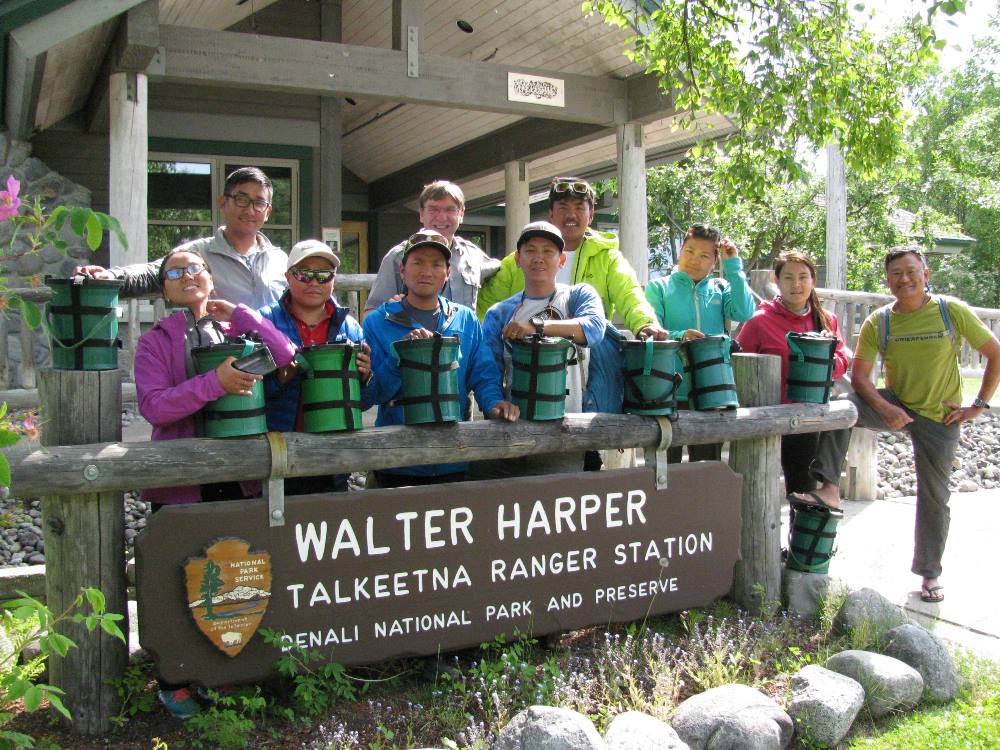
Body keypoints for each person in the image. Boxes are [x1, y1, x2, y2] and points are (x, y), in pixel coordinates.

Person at [133, 246, 296, 718]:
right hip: (181, 479)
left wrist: (247, 317)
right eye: (174, 272)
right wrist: (216, 383)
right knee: (176, 578)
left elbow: (286, 358)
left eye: (196, 268)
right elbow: (156, 406)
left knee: (234, 578)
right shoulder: (155, 341)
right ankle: (176, 678)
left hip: (237, 476)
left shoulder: (233, 328)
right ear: (163, 288)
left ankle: (229, 674)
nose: (187, 276)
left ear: (211, 276)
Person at [793, 246, 1000, 604]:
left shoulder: (951, 311)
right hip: (897, 404)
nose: (904, 279)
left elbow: (995, 353)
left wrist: (977, 406)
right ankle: (828, 485)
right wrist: (884, 409)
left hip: (940, 415)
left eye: (911, 272)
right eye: (896, 274)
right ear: (888, 281)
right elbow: (859, 378)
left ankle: (930, 573)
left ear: (926, 274)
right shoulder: (880, 321)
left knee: (936, 497)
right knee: (843, 406)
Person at [363, 229, 519, 487]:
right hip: (397, 460)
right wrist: (400, 355)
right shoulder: (378, 323)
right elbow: (371, 394)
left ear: (448, 273)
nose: (427, 271)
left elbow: (483, 375)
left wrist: (494, 403)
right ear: (402, 271)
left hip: (453, 457)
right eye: (418, 262)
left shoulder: (465, 319)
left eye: (436, 264)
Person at [479, 221, 612, 475]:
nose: (538, 258)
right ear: (518, 259)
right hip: (514, 433)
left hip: (569, 433)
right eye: (530, 250)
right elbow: (488, 371)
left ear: (561, 260)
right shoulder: (500, 313)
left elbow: (594, 328)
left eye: (548, 251)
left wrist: (536, 326)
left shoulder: (578, 296)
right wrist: (494, 404)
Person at [475, 176, 667, 341]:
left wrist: (645, 324)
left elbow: (630, 295)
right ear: (551, 214)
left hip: (590, 364)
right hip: (532, 362)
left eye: (579, 208)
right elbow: (485, 309)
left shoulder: (608, 259)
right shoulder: (517, 261)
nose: (571, 215)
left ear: (591, 215)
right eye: (563, 207)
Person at [76, 167, 287, 309]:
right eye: (241, 199)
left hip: (277, 365)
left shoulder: (280, 260)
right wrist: (109, 277)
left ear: (267, 212)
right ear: (223, 202)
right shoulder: (196, 255)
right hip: (220, 363)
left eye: (259, 203)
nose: (250, 210)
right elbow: (152, 273)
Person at [258, 239, 376, 494]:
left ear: (333, 279)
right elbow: (245, 392)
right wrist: (279, 378)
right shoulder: (264, 323)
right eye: (304, 274)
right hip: (277, 453)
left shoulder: (351, 328)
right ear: (288, 277)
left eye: (323, 275)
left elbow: (365, 402)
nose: (314, 282)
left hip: (332, 457)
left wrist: (365, 378)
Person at [736, 251, 851, 493]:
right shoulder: (759, 321)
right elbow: (737, 363)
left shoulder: (827, 320)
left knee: (802, 492)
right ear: (777, 281)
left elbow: (842, 360)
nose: (796, 285)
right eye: (788, 278)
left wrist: (819, 362)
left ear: (813, 281)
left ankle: (799, 532)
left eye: (803, 277)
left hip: (806, 418)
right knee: (756, 491)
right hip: (765, 416)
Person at [644, 223, 756, 463]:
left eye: (704, 255)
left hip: (713, 392)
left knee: (707, 466)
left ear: (714, 261)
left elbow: (744, 311)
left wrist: (733, 265)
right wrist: (680, 335)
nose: (694, 259)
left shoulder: (721, 288)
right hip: (670, 390)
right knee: (664, 467)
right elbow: (653, 331)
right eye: (689, 251)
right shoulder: (658, 287)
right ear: (681, 251)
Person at [365, 180, 500, 311]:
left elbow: (506, 267)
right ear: (421, 213)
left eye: (450, 210)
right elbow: (371, 315)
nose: (441, 217)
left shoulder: (472, 256)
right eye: (433, 209)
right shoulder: (398, 256)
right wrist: (390, 310)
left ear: (461, 214)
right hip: (414, 333)